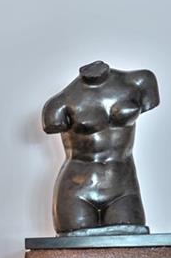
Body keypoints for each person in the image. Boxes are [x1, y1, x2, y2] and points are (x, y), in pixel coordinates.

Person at [42, 60, 158, 235]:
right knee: (74, 250)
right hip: (77, 189)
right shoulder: (59, 104)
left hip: (122, 186)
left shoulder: (139, 81)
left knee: (130, 246)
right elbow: (51, 124)